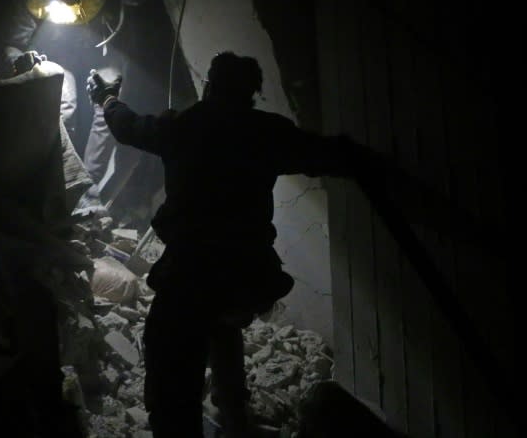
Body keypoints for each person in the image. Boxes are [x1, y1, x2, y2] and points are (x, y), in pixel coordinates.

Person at [86, 51, 390, 437]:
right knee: (222, 317)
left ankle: (184, 425)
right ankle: (232, 409)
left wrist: (108, 99)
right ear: (252, 94)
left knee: (172, 360)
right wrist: (371, 159)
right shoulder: (267, 132)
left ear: (210, 86)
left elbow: (128, 127)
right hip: (246, 272)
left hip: (190, 270)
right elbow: (326, 155)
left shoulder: (185, 126)